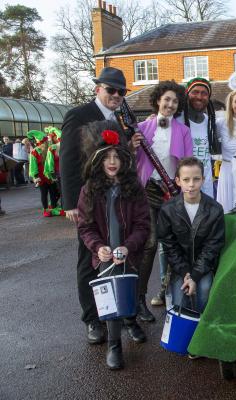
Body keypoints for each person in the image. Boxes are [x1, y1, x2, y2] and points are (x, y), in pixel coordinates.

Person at [60, 66, 142, 345]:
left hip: (116, 198)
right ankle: (92, 319)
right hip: (88, 198)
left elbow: (116, 160)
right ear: (98, 89)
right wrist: (70, 202)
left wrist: (129, 146)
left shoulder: (118, 122)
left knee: (116, 254)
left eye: (121, 91)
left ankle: (119, 313)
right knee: (88, 259)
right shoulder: (78, 115)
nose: (117, 95)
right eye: (111, 89)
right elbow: (69, 160)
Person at [77, 121, 150, 370]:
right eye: (106, 157)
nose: (112, 162)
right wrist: (97, 247)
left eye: (116, 156)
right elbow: (85, 227)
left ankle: (131, 321)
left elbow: (143, 224)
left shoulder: (134, 187)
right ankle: (114, 344)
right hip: (105, 255)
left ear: (124, 159)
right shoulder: (89, 189)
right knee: (110, 298)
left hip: (129, 252)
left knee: (129, 289)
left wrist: (129, 246)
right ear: (98, 160)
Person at [136, 80, 193, 321]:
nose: (170, 104)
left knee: (172, 246)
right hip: (147, 191)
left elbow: (188, 163)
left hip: (172, 192)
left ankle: (167, 290)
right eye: (166, 99)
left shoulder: (183, 131)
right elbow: (131, 159)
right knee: (149, 245)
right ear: (158, 100)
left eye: (174, 101)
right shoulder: (141, 127)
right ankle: (139, 300)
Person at [157, 157, 225, 314]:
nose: (191, 184)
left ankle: (202, 331)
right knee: (179, 304)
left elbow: (213, 247)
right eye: (186, 179)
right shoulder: (168, 210)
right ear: (178, 181)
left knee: (204, 290)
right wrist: (185, 273)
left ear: (203, 179)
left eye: (196, 179)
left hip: (204, 267)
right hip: (179, 267)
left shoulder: (215, 209)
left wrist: (195, 275)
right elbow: (169, 246)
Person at [27, 130, 61, 217]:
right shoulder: (35, 152)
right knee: (44, 193)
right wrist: (35, 176)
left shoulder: (50, 148)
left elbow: (51, 162)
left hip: (49, 175)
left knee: (53, 192)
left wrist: (52, 173)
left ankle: (53, 207)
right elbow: (33, 166)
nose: (47, 142)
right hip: (41, 177)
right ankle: (45, 209)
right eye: (45, 141)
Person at [44, 127, 65, 215]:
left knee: (61, 191)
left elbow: (49, 163)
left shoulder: (52, 148)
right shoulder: (64, 145)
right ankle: (64, 206)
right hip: (63, 173)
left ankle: (64, 207)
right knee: (62, 191)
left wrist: (50, 173)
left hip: (59, 173)